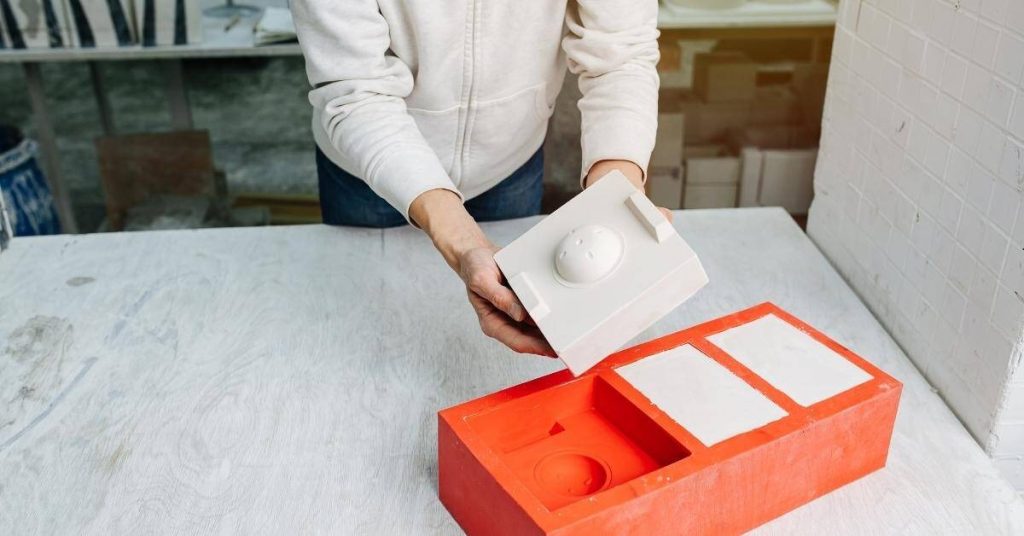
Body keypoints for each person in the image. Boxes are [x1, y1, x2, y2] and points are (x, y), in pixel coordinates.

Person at [291, 1, 666, 358]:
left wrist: (617, 193)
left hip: (509, 161)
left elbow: (621, 55)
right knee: (369, 327)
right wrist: (463, 241)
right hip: (373, 172)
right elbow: (357, 93)